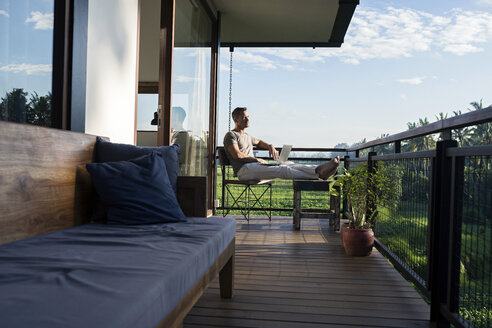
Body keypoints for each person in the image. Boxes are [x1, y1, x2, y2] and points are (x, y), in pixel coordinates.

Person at [223, 107, 339, 181]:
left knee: (288, 163)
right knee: (282, 170)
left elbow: (258, 142)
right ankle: (317, 175)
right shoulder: (231, 135)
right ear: (235, 119)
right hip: (243, 171)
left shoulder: (247, 136)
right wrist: (256, 159)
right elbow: (237, 155)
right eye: (244, 117)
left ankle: (318, 170)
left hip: (253, 168)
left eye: (248, 117)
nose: (248, 119)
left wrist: (270, 146)